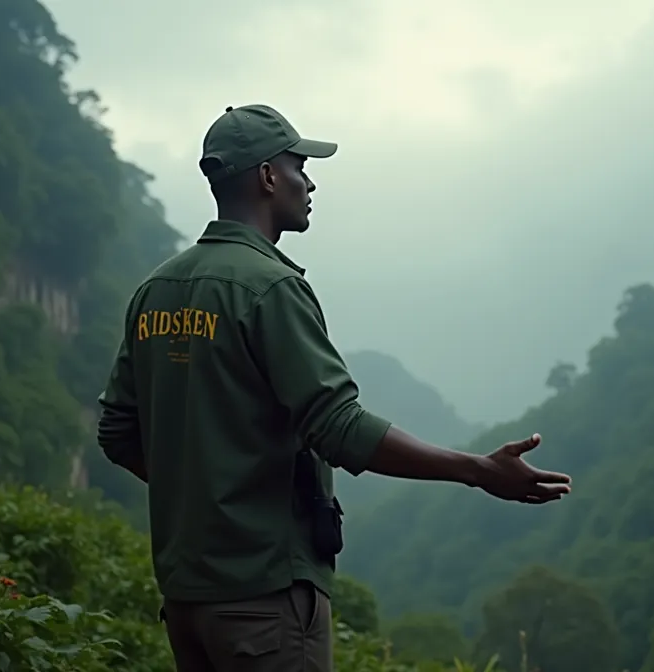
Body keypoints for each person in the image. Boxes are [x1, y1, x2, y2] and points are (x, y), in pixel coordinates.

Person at [96, 104, 572, 672]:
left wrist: (206, 488)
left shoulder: (157, 289)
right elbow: (339, 427)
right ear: (269, 177)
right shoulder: (269, 288)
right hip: (265, 598)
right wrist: (477, 470)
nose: (310, 180)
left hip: (186, 599)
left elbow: (118, 432)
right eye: (299, 166)